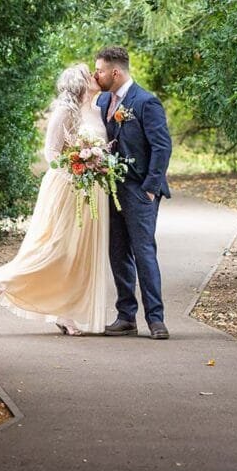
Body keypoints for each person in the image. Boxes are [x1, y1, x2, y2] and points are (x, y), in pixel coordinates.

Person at [0, 63, 113, 335]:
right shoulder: (67, 110)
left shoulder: (99, 109)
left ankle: (66, 313)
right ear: (80, 81)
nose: (95, 76)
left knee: (79, 255)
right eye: (90, 73)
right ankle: (0, 280)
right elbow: (51, 153)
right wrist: (77, 172)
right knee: (57, 247)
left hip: (92, 192)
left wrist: (97, 168)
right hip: (67, 188)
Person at [93, 46, 172, 339]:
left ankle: (156, 320)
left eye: (99, 70)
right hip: (111, 190)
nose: (96, 75)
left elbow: (162, 147)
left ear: (116, 72)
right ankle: (126, 317)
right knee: (118, 253)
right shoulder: (102, 101)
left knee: (144, 253)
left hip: (140, 190)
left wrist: (150, 189)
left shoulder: (146, 102)